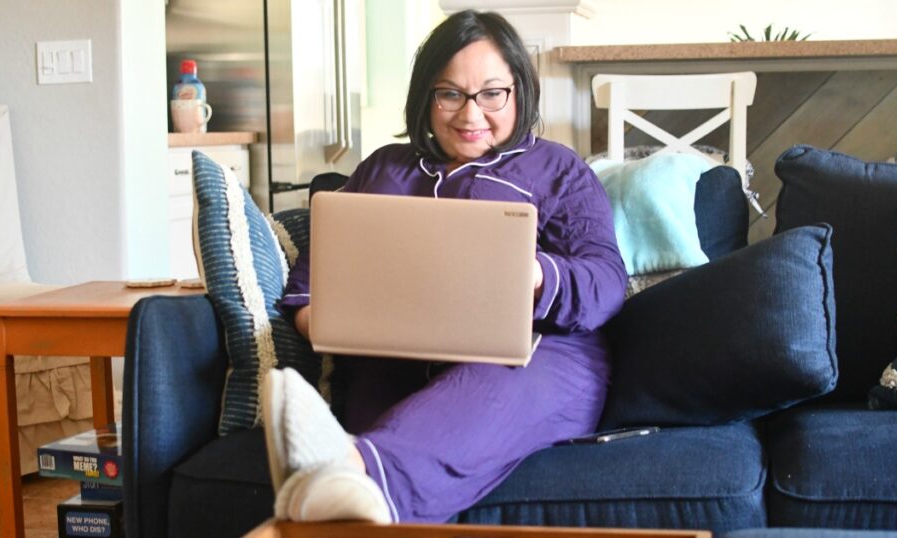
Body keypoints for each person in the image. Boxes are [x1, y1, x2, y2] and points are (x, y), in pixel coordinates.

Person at [266, 9, 628, 524]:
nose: (470, 113)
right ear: (426, 98)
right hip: (394, 358)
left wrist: (536, 274)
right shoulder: (382, 170)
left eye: (491, 93)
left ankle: (347, 467)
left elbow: (607, 281)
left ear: (519, 92)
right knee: (379, 386)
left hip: (537, 355)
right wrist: (332, 324)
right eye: (450, 94)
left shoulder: (557, 169)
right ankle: (350, 490)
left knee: (494, 380)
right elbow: (308, 287)